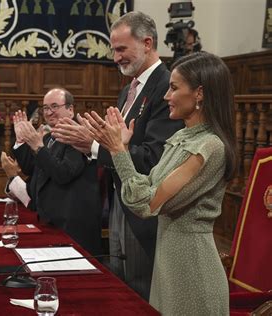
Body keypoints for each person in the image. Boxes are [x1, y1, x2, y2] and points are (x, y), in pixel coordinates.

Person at [84, 51, 235, 316]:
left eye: (174, 88)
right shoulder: (180, 137)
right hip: (167, 262)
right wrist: (124, 147)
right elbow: (145, 185)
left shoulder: (209, 147)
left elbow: (147, 204)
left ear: (199, 93)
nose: (166, 96)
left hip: (192, 270)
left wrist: (119, 151)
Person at [51, 11, 184, 300]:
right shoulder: (127, 92)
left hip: (144, 211)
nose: (115, 57)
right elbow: (119, 145)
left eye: (121, 48)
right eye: (113, 49)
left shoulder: (166, 87)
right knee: (120, 285)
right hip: (119, 203)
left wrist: (95, 147)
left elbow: (154, 157)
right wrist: (94, 140)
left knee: (140, 291)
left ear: (147, 43)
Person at [12, 88, 103, 255]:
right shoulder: (48, 138)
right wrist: (21, 141)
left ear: (70, 109)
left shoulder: (79, 135)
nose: (49, 112)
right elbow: (31, 169)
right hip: (50, 219)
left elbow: (63, 173)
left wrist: (38, 147)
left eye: (54, 106)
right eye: (46, 108)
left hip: (73, 223)